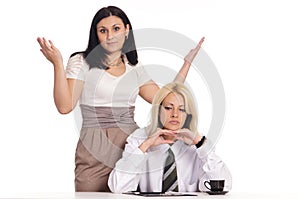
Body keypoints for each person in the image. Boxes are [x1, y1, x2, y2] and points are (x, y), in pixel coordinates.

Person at [37, 5, 205, 192]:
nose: (110, 36)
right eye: (103, 31)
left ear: (126, 30)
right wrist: (57, 64)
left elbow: (164, 98)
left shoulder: (133, 66)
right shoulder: (81, 61)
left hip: (131, 147)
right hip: (94, 149)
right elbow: (64, 106)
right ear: (96, 34)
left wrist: (186, 64)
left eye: (116, 29)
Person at [108, 82, 232, 193]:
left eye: (182, 109)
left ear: (188, 114)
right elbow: (118, 187)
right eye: (168, 108)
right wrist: (145, 146)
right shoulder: (139, 139)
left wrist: (200, 144)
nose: (175, 114)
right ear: (158, 110)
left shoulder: (198, 145)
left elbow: (223, 185)